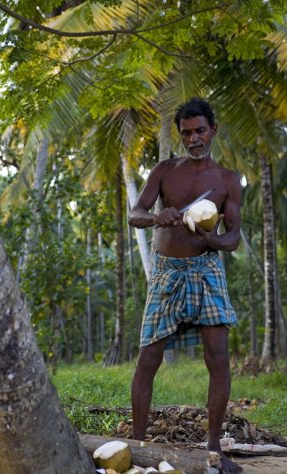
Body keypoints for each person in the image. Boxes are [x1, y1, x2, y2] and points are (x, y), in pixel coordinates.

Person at [129, 97, 242, 474]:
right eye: (186, 133)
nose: (193, 138)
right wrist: (156, 218)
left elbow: (234, 238)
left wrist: (210, 238)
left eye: (200, 131)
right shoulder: (164, 171)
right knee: (148, 358)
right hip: (167, 271)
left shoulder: (227, 180)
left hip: (207, 270)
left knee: (218, 357)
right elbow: (135, 214)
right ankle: (138, 445)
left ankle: (213, 450)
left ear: (213, 131)